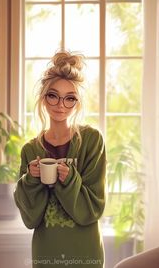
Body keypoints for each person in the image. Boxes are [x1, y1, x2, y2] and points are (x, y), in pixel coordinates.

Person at [14, 50, 107, 268]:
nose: (61, 105)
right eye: (53, 95)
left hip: (86, 253)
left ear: (77, 103)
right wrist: (31, 179)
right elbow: (30, 218)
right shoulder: (30, 149)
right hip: (46, 253)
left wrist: (70, 179)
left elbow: (94, 207)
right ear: (43, 97)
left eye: (70, 98)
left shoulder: (92, 141)